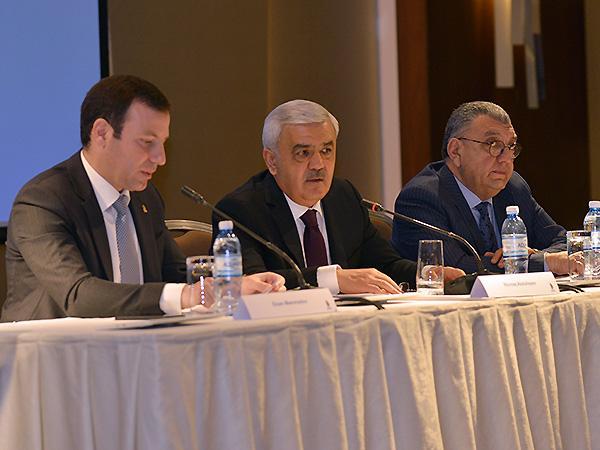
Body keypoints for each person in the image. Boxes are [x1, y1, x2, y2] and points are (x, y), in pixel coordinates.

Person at [2, 75, 284, 322]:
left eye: (163, 144)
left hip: (134, 349)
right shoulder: (42, 201)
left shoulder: (145, 197)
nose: (160, 159)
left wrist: (230, 286)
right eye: (147, 143)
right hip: (51, 357)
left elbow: (174, 275)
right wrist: (188, 295)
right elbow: (78, 295)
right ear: (101, 133)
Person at [212, 99, 464, 294]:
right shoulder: (241, 210)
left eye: (326, 150)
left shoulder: (342, 196)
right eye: (303, 153)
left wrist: (427, 273)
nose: (318, 164)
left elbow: (384, 265)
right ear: (272, 161)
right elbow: (255, 285)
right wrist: (332, 279)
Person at [392, 101, 568, 274]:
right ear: (455, 151)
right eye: (493, 145)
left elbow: (563, 242)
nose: (506, 159)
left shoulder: (513, 188)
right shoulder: (422, 198)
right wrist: (540, 263)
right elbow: (458, 270)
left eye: (510, 147)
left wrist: (535, 255)